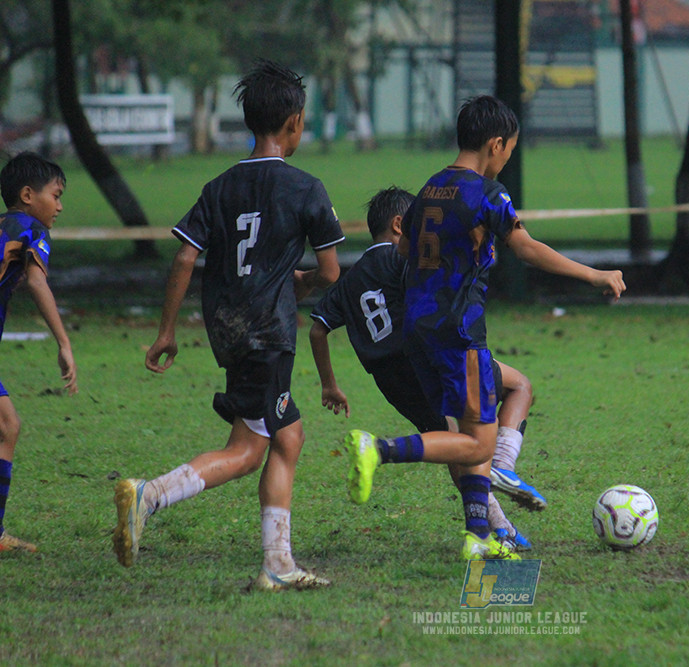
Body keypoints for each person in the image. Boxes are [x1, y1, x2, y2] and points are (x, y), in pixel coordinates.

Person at [343, 95, 625, 560]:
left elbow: (405, 248)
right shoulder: (487, 194)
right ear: (496, 144)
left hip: (418, 330)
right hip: (459, 331)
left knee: (471, 434)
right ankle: (379, 449)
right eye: (509, 150)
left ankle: (479, 536)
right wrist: (594, 275)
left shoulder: (431, 187)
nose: (507, 159)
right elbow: (527, 249)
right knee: (477, 443)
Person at [112, 60, 344, 590]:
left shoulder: (218, 186)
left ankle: (277, 563)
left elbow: (184, 258)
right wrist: (300, 283)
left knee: (287, 436)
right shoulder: (306, 188)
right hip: (269, 332)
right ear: (295, 123)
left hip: (228, 329)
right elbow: (330, 272)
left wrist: (167, 331)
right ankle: (151, 495)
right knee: (246, 452)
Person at [308, 187, 539, 551]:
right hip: (428, 360)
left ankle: (498, 529)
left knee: (451, 444)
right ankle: (503, 467)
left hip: (391, 381)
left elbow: (317, 329)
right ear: (400, 225)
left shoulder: (349, 281)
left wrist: (329, 384)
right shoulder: (400, 258)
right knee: (520, 386)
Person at [0, 152, 78, 553]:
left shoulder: (4, 227)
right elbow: (36, 282)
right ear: (28, 195)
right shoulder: (32, 230)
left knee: (6, 427)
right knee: (6, 427)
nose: (59, 206)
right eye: (56, 195)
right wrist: (64, 343)